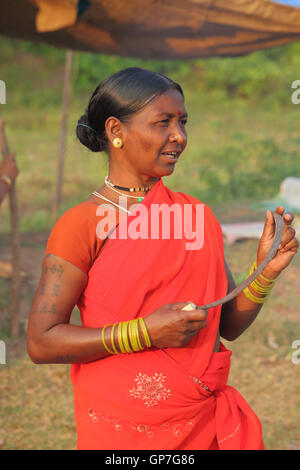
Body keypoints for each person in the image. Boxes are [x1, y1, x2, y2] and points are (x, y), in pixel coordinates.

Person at [26, 67, 298, 450]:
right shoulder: (82, 224)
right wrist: (144, 333)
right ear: (116, 131)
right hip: (122, 427)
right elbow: (42, 341)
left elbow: (227, 324)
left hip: (201, 423)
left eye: (183, 121)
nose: (179, 137)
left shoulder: (197, 216)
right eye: (163, 123)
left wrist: (266, 270)